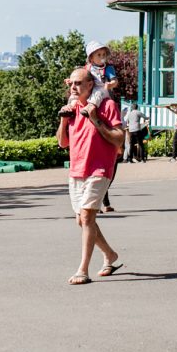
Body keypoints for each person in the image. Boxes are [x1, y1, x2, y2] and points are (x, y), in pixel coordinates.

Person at [57, 67, 124, 286]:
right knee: (82, 220)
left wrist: (95, 119)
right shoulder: (72, 107)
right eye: (71, 84)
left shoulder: (106, 105)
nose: (73, 88)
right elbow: (62, 143)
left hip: (99, 169)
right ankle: (110, 255)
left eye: (78, 83)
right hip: (77, 170)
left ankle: (83, 269)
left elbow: (118, 139)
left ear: (89, 85)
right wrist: (64, 120)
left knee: (86, 217)